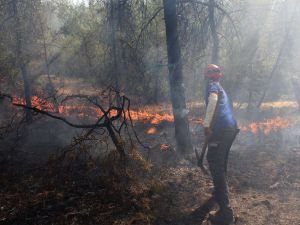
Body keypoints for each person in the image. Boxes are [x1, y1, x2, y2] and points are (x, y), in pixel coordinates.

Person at [203, 64, 238, 224]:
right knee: (215, 159)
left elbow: (213, 101)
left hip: (222, 130)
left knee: (216, 165)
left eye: (211, 71)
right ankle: (219, 192)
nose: (210, 74)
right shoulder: (221, 87)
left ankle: (226, 213)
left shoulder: (213, 86)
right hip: (230, 129)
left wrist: (207, 125)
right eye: (210, 71)